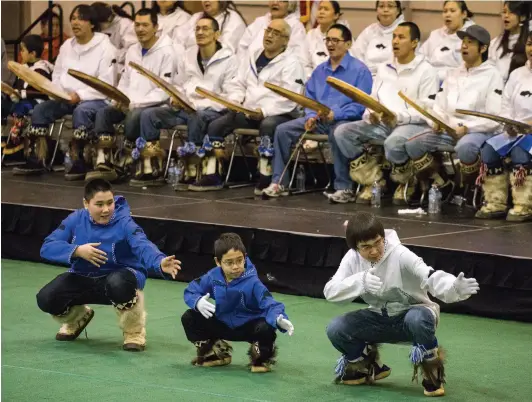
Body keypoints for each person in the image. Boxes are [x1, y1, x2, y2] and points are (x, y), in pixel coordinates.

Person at [324, 212, 480, 396]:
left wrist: (453, 287)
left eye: (378, 242)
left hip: (412, 316)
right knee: (336, 328)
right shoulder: (352, 258)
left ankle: (431, 369)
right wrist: (361, 281)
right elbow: (330, 291)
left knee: (417, 319)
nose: (374, 251)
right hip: (378, 318)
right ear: (355, 248)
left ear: (383, 237)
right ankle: (366, 366)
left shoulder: (400, 254)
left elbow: (428, 274)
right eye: (366, 247)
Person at [37, 179, 181, 351]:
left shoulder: (125, 222)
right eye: (99, 204)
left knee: (118, 283)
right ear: (86, 203)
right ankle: (78, 317)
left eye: (110, 203)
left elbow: (142, 245)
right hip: (84, 277)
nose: (106, 210)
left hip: (121, 278)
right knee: (46, 298)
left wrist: (159, 261)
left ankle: (134, 332)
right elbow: (47, 247)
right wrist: (77, 250)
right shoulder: (74, 219)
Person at [330, 22, 439, 205]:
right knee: (342, 132)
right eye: (394, 37)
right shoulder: (383, 67)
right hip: (382, 123)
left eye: (401, 37)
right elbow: (373, 98)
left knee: (393, 142)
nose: (395, 41)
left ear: (414, 43)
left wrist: (399, 117)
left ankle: (406, 181)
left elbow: (428, 110)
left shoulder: (426, 70)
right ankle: (373, 179)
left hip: (411, 125)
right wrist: (370, 113)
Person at [262, 24, 372, 198]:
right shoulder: (320, 70)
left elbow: (362, 105)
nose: (330, 44)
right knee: (283, 130)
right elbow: (310, 100)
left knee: (339, 132)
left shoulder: (360, 71)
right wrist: (311, 115)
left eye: (336, 40)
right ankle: (279, 182)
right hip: (320, 121)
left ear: (349, 44)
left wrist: (337, 114)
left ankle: (344, 187)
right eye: (328, 40)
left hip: (346, 121)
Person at [401, 25, 504, 202]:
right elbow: (440, 106)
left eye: (470, 43)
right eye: (463, 42)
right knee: (412, 144)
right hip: (448, 130)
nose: (464, 46)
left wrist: (467, 128)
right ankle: (441, 183)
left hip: (477, 132)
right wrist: (437, 121)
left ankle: (470, 187)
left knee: (464, 147)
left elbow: (494, 117)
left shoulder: (493, 75)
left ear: (483, 48)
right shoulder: (453, 73)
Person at [139, 15, 238, 191]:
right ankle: (151, 168)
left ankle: (194, 170)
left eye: (205, 29)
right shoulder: (188, 55)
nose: (200, 32)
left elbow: (233, 96)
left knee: (198, 116)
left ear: (217, 34)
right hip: (187, 108)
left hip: (214, 111)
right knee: (149, 114)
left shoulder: (230, 59)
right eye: (197, 29)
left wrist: (199, 105)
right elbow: (179, 84)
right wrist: (176, 98)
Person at [207, 18, 305, 194]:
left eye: (276, 34)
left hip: (280, 113)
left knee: (268, 125)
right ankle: (212, 174)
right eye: (268, 31)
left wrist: (264, 111)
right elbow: (238, 83)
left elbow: (291, 98)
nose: (269, 36)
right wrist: (236, 101)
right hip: (249, 111)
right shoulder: (252, 56)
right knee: (217, 124)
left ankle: (266, 175)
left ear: (286, 41)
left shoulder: (292, 62)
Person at [23, 5, 117, 179]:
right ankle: (39, 157)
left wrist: (80, 95)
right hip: (66, 98)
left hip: (94, 99)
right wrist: (58, 92)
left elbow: (105, 84)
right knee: (40, 110)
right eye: (73, 18)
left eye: (81, 18)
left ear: (92, 24)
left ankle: (82, 160)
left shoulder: (106, 47)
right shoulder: (67, 46)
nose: (75, 22)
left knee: (82, 111)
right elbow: (57, 73)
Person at [182, 233, 294, 372]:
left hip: (250, 327)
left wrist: (278, 318)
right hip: (222, 323)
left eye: (239, 261)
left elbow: (270, 303)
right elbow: (191, 290)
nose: (235, 267)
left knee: (266, 328)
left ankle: (261, 358)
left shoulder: (253, 282)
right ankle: (216, 353)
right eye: (229, 262)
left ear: (245, 257)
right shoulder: (212, 276)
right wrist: (197, 301)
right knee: (189, 317)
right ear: (218, 262)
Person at [91, 8, 174, 186]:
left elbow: (165, 90)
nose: (140, 29)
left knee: (137, 115)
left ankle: (136, 163)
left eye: (145, 25)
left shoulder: (168, 51)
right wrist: (119, 98)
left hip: (156, 106)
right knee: (103, 113)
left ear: (156, 27)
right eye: (137, 25)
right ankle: (106, 164)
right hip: (130, 104)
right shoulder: (133, 50)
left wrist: (136, 103)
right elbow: (125, 80)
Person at [475, 31, 532, 222]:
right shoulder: (517, 74)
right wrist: (509, 123)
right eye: (530, 44)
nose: (531, 50)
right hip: (517, 132)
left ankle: (524, 204)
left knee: (520, 152)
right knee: (489, 149)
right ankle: (496, 202)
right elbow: (505, 106)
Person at [4, 35, 54, 156]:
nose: (20, 53)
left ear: (32, 53)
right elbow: (19, 86)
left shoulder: (42, 69)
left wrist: (22, 93)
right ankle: (3, 137)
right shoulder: (24, 67)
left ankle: (17, 138)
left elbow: (43, 91)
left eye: (23, 50)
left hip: (38, 101)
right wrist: (13, 91)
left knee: (21, 106)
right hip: (23, 99)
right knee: (5, 104)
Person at [238, 1, 309, 76]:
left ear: (290, 5)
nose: (275, 3)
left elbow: (298, 58)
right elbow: (242, 48)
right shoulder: (259, 22)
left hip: (276, 76)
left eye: (281, 0)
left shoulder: (296, 27)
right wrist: (243, 70)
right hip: (247, 73)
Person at [420, 1, 475, 83]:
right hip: (429, 79)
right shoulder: (435, 34)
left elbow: (469, 68)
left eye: (452, 11)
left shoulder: (472, 37)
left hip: (455, 83)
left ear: (464, 14)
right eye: (445, 11)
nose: (447, 15)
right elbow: (421, 57)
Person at [352, 1, 404, 77]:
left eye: (390, 6)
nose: (385, 10)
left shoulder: (405, 31)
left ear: (398, 10)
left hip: (394, 78)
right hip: (367, 77)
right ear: (376, 10)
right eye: (381, 6)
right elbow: (355, 55)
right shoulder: (369, 31)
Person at [174, 1, 246, 51]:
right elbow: (178, 40)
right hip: (189, 65)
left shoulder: (233, 20)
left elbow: (226, 50)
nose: (205, 1)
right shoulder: (196, 17)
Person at [488, 1, 531, 84]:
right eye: (504, 12)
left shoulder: (528, 43)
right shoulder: (496, 42)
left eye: (511, 12)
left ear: (522, 17)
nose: (506, 16)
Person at [92, 2, 138, 68]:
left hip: (122, 66)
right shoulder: (98, 27)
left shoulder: (125, 25)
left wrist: (110, 54)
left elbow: (133, 52)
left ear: (109, 18)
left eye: (99, 24)